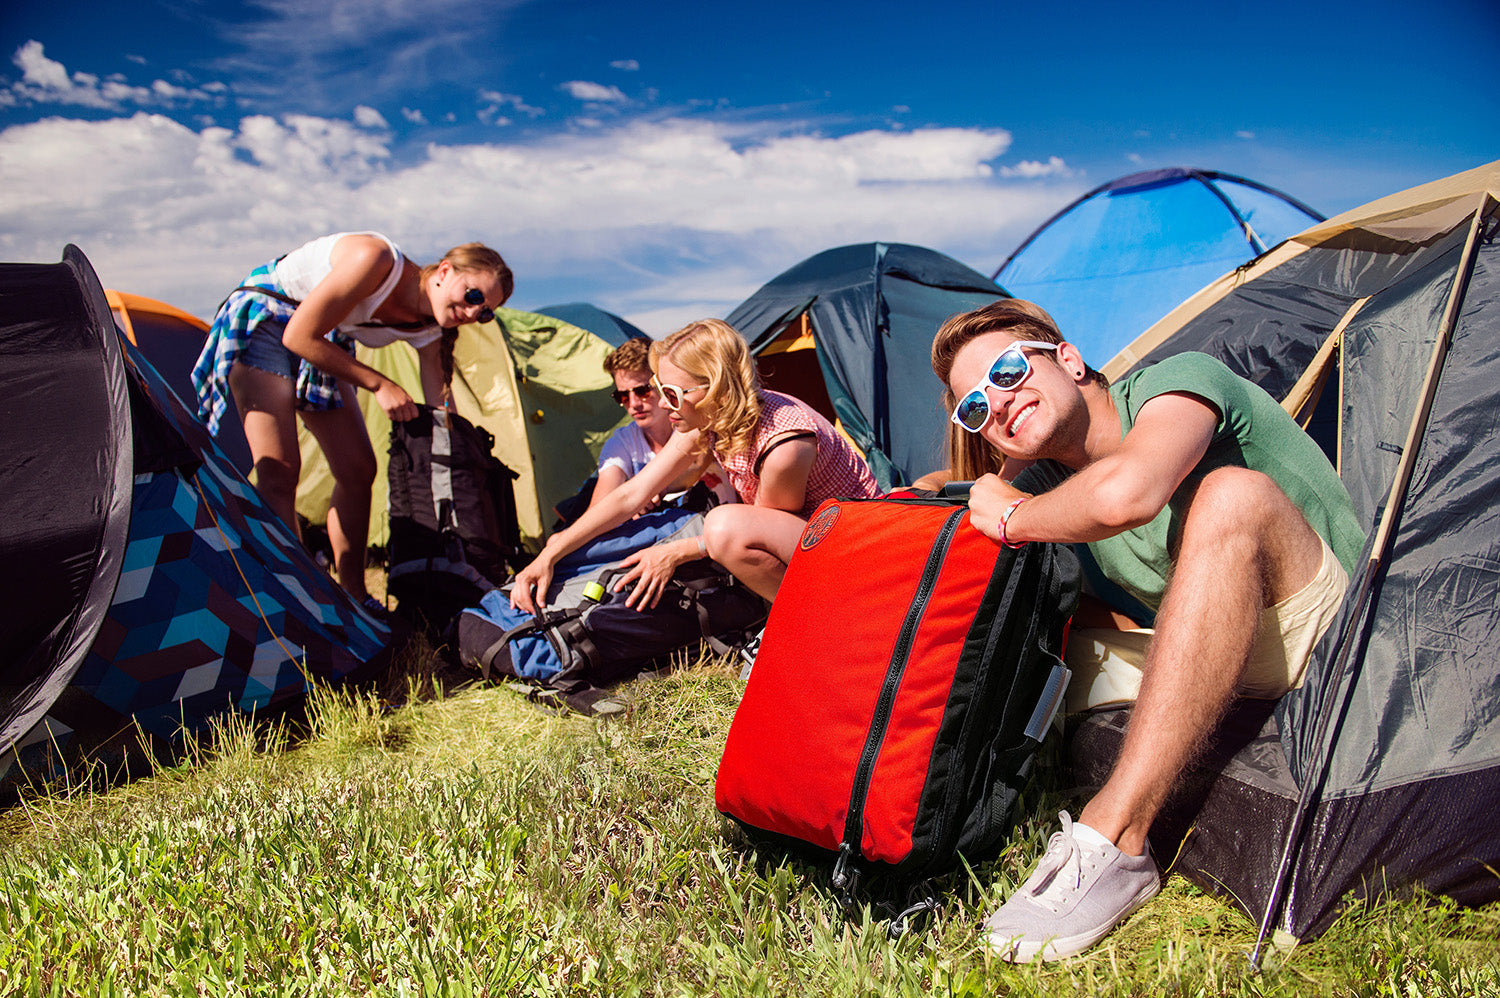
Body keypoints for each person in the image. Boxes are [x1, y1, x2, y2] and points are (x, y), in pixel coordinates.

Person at [931, 299, 1364, 962]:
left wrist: (1013, 513)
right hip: (1239, 651)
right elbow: (956, 495)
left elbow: (1128, 492)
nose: (1000, 400)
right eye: (977, 408)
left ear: (1070, 360)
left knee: (1229, 496)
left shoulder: (1176, 384)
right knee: (1063, 631)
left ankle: (1117, 839)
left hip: (1330, 628)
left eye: (1009, 370)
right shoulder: (1051, 476)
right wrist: (960, 493)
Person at [191, 232, 513, 610]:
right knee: (280, 469)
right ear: (444, 270)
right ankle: (294, 598)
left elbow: (440, 406)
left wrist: (461, 459)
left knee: (358, 470)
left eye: (486, 312)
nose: (474, 313)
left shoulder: (430, 328)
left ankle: (354, 599)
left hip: (325, 338)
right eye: (474, 295)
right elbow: (298, 335)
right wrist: (380, 384)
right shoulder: (374, 259)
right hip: (270, 316)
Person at [510, 318, 880, 614]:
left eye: (670, 393)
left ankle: (811, 622)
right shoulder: (706, 423)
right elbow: (631, 494)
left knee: (723, 525)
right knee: (719, 526)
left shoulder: (785, 444)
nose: (663, 404)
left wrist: (676, 551)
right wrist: (550, 553)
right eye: (659, 388)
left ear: (715, 389)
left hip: (855, 546)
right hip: (806, 537)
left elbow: (760, 529)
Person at [590, 338, 736, 514]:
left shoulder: (695, 422)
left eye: (642, 391)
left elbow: (698, 462)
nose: (633, 404)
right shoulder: (622, 442)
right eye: (622, 396)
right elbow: (599, 506)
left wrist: (651, 489)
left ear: (662, 385)